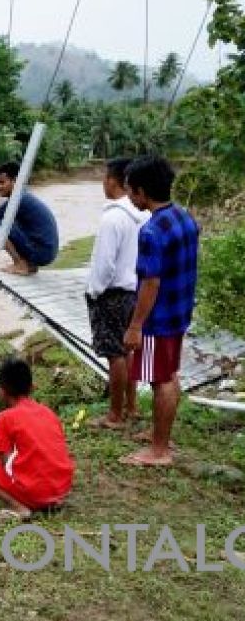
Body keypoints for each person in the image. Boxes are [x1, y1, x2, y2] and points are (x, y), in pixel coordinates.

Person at [121, 155, 200, 467]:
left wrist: (135, 326)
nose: (129, 197)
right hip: (180, 312)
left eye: (130, 191)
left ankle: (159, 450)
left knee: (160, 380)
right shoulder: (184, 217)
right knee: (169, 373)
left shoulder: (151, 231)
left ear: (142, 192)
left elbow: (150, 283)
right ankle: (160, 435)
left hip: (159, 319)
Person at [0, 358, 75, 521]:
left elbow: (6, 465)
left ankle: (17, 507)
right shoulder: (48, 412)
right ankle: (48, 500)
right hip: (61, 490)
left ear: (1, 391)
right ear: (32, 387)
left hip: (36, 493)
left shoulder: (5, 417)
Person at [86, 158, 149, 429]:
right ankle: (132, 407)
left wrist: (94, 292)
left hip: (112, 293)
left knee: (115, 353)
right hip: (135, 291)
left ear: (112, 181)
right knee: (129, 349)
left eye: (104, 177)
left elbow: (104, 264)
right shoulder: (144, 214)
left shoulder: (112, 217)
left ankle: (115, 415)